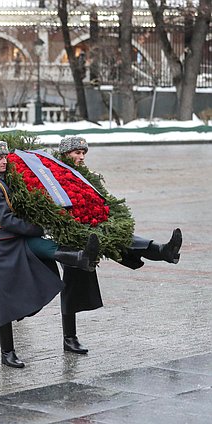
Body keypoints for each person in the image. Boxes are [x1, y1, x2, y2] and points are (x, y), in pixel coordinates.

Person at [0, 139, 99, 368]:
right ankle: (7, 352)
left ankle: (79, 257)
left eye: (5, 157)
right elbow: (6, 219)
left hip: (13, 240)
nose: (4, 161)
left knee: (44, 250)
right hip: (0, 244)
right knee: (3, 300)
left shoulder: (3, 179)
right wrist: (38, 228)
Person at [57, 135, 182, 354]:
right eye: (77, 153)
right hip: (68, 234)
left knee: (123, 239)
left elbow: (105, 203)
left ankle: (163, 251)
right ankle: (69, 337)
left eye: (83, 153)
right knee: (72, 282)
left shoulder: (88, 177)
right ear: (65, 154)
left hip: (93, 228)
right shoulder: (52, 175)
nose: (81, 157)